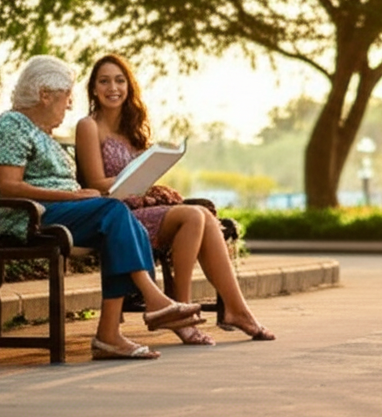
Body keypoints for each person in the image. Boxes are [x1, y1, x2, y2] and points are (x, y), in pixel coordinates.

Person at [0, 55, 204, 361]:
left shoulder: (40, 132)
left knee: (118, 217)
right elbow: (9, 186)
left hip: (56, 213)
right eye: (66, 96)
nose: (70, 105)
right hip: (27, 218)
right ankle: (153, 303)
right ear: (45, 95)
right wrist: (75, 198)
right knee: (113, 212)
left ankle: (110, 336)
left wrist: (82, 195)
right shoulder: (12, 125)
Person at [75, 53, 275, 344]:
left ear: (129, 86)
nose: (112, 88)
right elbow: (95, 183)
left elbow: (139, 179)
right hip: (116, 215)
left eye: (119, 81)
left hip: (140, 209)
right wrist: (138, 184)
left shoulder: (132, 129)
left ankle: (236, 309)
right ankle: (181, 312)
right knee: (194, 215)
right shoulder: (88, 125)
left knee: (203, 216)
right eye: (104, 81)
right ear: (93, 88)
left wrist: (153, 184)